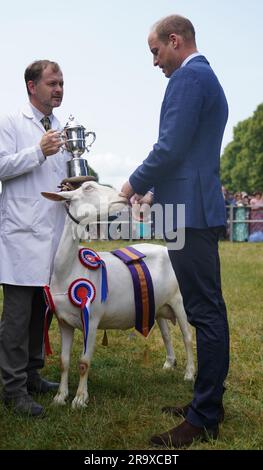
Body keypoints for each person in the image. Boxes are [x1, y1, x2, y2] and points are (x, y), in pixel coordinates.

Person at [121, 15, 229, 447]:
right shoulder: (205, 77)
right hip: (188, 205)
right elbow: (187, 153)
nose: (154, 62)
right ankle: (207, 402)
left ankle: (204, 416)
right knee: (206, 310)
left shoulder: (188, 79)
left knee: (205, 312)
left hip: (190, 213)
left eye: (155, 51)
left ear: (174, 40)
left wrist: (130, 186)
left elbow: (170, 147)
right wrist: (153, 195)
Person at [0, 60, 67, 417]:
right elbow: (2, 167)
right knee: (16, 317)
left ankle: (32, 375)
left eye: (61, 83)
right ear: (31, 86)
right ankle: (12, 389)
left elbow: (59, 178)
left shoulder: (62, 127)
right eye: (52, 83)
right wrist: (38, 151)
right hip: (20, 236)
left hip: (53, 234)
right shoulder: (11, 123)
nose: (58, 89)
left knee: (42, 312)